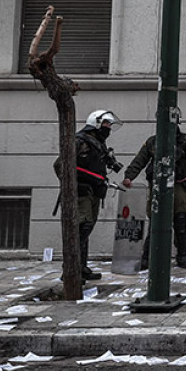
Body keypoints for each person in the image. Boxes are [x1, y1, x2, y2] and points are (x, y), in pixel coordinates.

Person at [122, 116, 186, 269]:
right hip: (157, 185)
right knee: (155, 221)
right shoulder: (153, 141)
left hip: (178, 184)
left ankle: (183, 256)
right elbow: (140, 160)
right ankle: (148, 257)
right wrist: (129, 176)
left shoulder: (185, 140)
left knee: (180, 220)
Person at [55, 110, 122, 281]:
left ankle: (81, 267)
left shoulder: (98, 143)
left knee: (87, 228)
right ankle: (70, 270)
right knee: (81, 228)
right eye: (106, 124)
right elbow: (59, 165)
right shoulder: (80, 141)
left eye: (110, 125)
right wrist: (74, 185)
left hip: (94, 192)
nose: (108, 128)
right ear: (96, 123)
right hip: (81, 193)